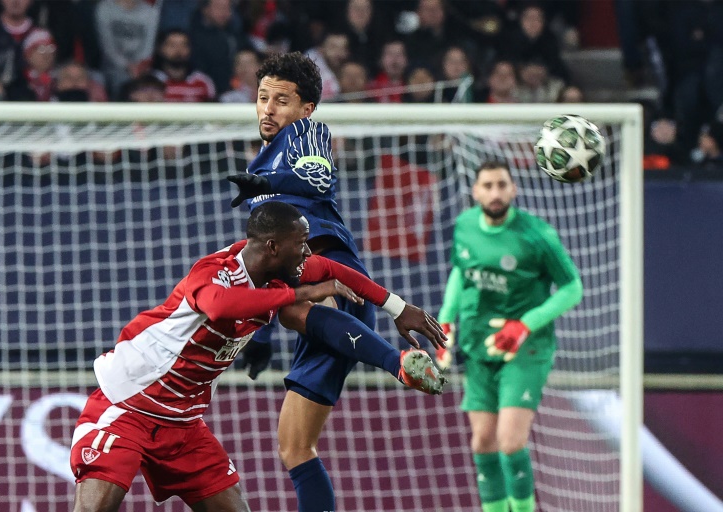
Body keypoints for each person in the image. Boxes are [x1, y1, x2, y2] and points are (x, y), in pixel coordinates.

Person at [69, 201, 446, 512]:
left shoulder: (283, 273)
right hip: (129, 405)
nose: (308, 253)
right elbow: (218, 306)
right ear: (273, 248)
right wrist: (299, 295)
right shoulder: (214, 273)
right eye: (302, 244)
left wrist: (396, 307)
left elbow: (333, 269)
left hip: (183, 425)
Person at [225, 52, 446, 512]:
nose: (268, 109)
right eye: (262, 97)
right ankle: (397, 362)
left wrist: (260, 180)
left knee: (289, 303)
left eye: (281, 100)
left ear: (306, 108)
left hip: (332, 273)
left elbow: (316, 174)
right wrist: (262, 334)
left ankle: (398, 363)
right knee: (294, 447)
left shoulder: (306, 133)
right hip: (322, 296)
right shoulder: (263, 161)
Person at [436, 161, 583, 512]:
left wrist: (525, 324)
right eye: (487, 185)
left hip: (526, 346)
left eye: (502, 185)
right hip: (477, 343)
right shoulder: (465, 226)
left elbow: (572, 288)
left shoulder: (537, 235)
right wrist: (445, 321)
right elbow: (461, 272)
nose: (495, 192)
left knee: (510, 441)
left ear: (514, 189)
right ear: (475, 192)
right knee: (483, 442)